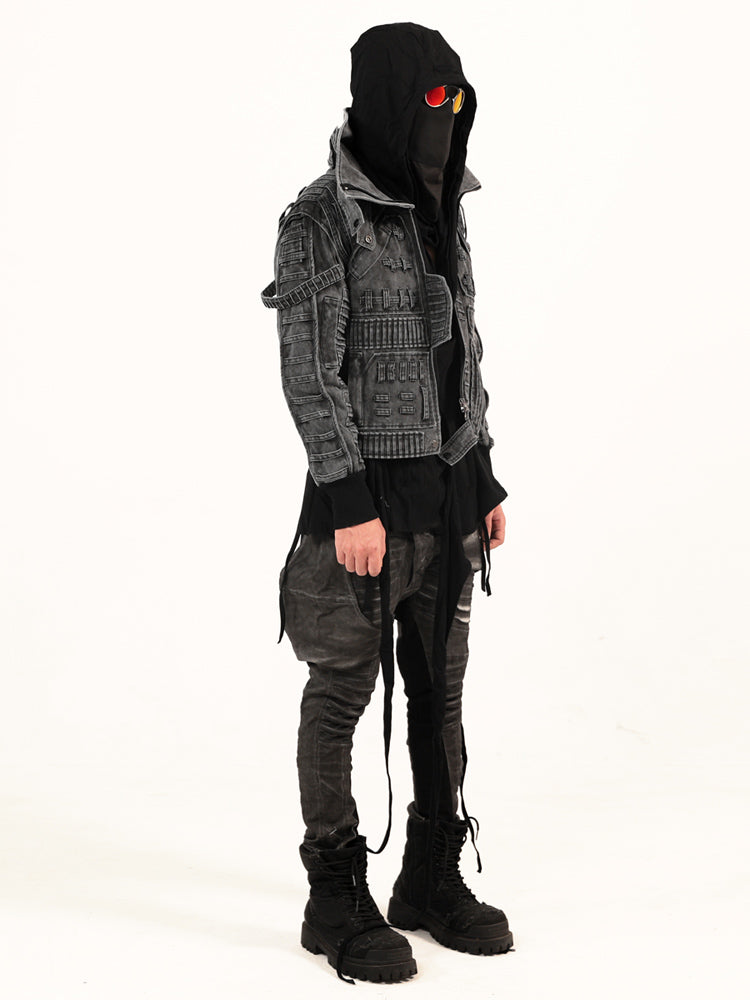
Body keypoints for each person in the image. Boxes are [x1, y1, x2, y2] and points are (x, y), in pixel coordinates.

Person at [261, 22, 513, 984]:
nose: (445, 119)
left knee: (440, 695)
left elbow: (463, 352)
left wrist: (481, 475)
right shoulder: (320, 217)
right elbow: (310, 375)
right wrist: (348, 500)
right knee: (339, 696)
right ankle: (333, 895)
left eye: (457, 102)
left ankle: (430, 876)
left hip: (447, 501)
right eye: (430, 100)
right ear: (386, 102)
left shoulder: (443, 207)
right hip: (361, 513)